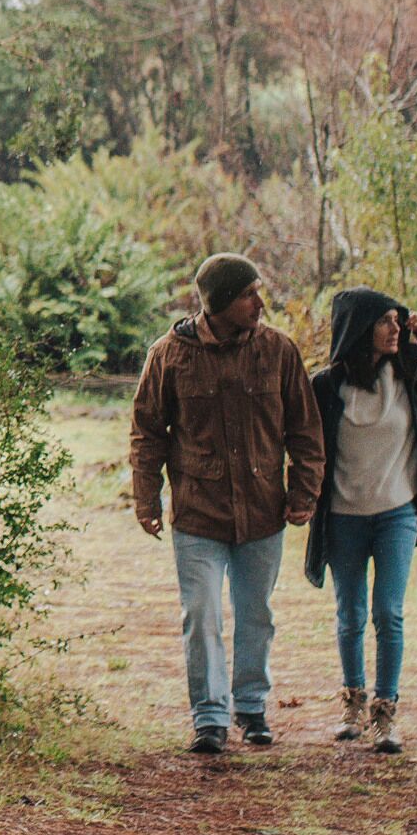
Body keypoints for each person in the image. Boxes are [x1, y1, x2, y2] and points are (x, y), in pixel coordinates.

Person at [128, 253, 325, 755]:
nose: (259, 303)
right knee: (201, 615)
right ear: (218, 303)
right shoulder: (168, 355)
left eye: (258, 293)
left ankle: (251, 707)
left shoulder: (278, 351)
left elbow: (305, 429)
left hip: (263, 511)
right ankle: (210, 717)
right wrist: (146, 497)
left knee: (256, 614)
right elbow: (147, 432)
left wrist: (304, 492)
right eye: (248, 295)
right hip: (198, 512)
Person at [300, 289, 417, 755]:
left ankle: (385, 712)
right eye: (384, 321)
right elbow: (303, 444)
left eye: (397, 320)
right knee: (351, 614)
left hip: (397, 512)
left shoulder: (414, 378)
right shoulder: (326, 386)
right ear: (360, 329)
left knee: (388, 612)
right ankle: (352, 703)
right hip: (343, 516)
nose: (395, 328)